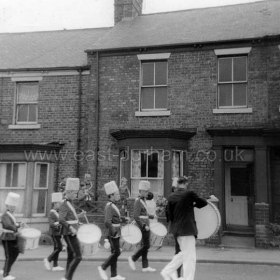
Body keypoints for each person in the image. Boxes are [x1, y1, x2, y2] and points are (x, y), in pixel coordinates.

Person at [161, 176, 208, 280]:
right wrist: (193, 203)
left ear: (177, 184)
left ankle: (167, 271)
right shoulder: (189, 194)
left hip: (176, 230)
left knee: (183, 254)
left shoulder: (171, 196)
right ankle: (185, 277)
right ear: (186, 184)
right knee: (190, 258)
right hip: (187, 230)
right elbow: (203, 203)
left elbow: (169, 216)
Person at [98, 181, 126, 280]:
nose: (119, 195)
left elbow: (115, 218)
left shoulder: (113, 205)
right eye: (117, 194)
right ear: (112, 195)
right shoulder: (109, 206)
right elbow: (107, 221)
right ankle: (103, 267)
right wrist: (114, 231)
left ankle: (114, 275)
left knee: (115, 252)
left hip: (116, 232)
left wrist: (123, 219)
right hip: (113, 233)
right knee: (117, 252)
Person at [128, 180, 156, 273]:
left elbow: (144, 213)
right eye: (146, 191)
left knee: (146, 245)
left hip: (147, 224)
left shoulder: (143, 200)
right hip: (143, 226)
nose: (147, 193)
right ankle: (133, 258)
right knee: (147, 245)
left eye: (147, 191)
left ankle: (145, 266)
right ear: (141, 191)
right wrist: (143, 225)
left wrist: (152, 216)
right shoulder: (138, 201)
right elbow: (136, 216)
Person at [59, 178, 84, 280]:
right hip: (69, 233)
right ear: (68, 192)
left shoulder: (70, 202)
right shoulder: (64, 203)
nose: (76, 195)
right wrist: (71, 228)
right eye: (74, 193)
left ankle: (67, 277)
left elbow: (71, 218)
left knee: (70, 255)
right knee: (78, 256)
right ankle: (68, 277)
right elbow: (61, 219)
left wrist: (80, 216)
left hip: (72, 232)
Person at [1, 192, 22, 280]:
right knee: (10, 256)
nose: (13, 208)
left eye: (14, 206)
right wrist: (17, 226)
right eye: (12, 206)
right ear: (7, 206)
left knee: (15, 253)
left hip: (12, 237)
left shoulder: (11, 215)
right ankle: (6, 274)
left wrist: (19, 224)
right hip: (7, 237)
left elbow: (12, 224)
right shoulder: (5, 215)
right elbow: (8, 225)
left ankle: (4, 269)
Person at [44, 192, 64, 272]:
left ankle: (55, 265)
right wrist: (59, 224)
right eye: (59, 203)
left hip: (58, 233)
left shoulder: (58, 212)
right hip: (54, 233)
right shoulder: (52, 212)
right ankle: (48, 259)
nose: (60, 205)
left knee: (56, 248)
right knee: (59, 247)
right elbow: (51, 224)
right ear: (55, 204)